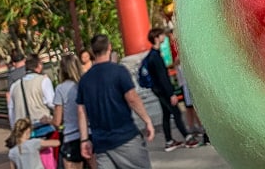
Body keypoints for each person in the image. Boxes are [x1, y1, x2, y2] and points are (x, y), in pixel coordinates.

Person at [77, 34, 154, 169]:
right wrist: (147, 120)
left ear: (92, 51)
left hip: (101, 143)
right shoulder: (118, 71)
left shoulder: (84, 80)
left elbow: (81, 112)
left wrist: (84, 139)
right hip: (125, 137)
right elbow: (132, 98)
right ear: (109, 48)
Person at [144, 27, 200, 152]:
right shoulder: (156, 57)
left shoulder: (153, 55)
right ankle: (188, 137)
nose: (164, 37)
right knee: (176, 113)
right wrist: (171, 94)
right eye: (161, 35)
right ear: (156, 38)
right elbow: (163, 78)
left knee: (166, 114)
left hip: (158, 91)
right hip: (164, 91)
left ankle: (169, 140)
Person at [52, 54, 84, 169]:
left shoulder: (60, 89)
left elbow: (57, 121)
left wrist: (48, 120)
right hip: (90, 133)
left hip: (72, 137)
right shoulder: (84, 83)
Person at [8, 54, 55, 131]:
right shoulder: (43, 80)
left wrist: (14, 128)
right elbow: (51, 103)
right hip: (42, 126)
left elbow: (11, 109)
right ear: (39, 65)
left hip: (22, 130)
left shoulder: (14, 86)